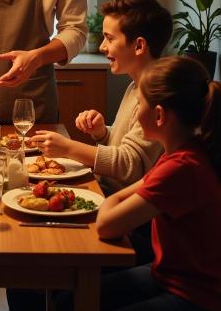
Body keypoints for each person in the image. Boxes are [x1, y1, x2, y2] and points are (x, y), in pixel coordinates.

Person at [89, 56, 221, 310]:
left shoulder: (181, 168)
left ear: (159, 115)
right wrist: (113, 201)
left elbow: (106, 225)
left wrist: (112, 202)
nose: (137, 113)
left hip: (194, 294)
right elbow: (118, 200)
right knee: (69, 300)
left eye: (140, 105)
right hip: (167, 274)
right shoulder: (180, 152)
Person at [32, 0, 172, 194]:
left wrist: (69, 148)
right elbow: (124, 146)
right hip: (104, 189)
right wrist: (103, 133)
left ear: (139, 46)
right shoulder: (135, 87)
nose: (102, 46)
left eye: (110, 38)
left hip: (121, 204)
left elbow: (131, 164)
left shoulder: (156, 97)